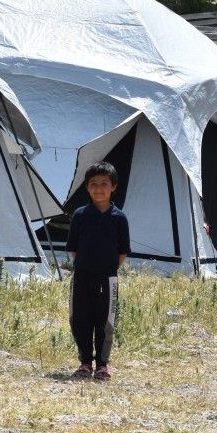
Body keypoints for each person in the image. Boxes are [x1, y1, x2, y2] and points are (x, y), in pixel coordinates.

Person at [66, 161, 130, 381]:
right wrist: (86, 265)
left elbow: (123, 252)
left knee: (105, 321)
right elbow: (72, 248)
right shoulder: (80, 215)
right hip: (82, 276)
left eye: (104, 183)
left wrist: (107, 268)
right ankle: (85, 361)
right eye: (93, 183)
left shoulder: (119, 218)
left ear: (113, 186)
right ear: (87, 187)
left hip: (108, 277)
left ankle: (102, 365)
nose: (99, 188)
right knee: (80, 319)